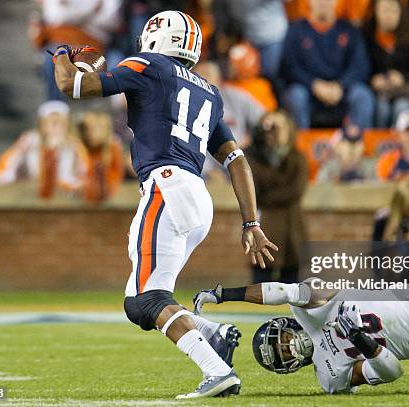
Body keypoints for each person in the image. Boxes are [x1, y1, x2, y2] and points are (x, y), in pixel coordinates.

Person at [52, 10, 278, 399]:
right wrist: (250, 222)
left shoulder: (148, 63)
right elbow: (236, 160)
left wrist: (59, 51)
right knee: (137, 303)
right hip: (197, 198)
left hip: (166, 186)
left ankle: (216, 370)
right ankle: (214, 334)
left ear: (156, 38)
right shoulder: (209, 90)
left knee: (149, 297)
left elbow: (74, 87)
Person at [192, 280, 409, 394]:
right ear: (287, 367)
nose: (288, 348)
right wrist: (366, 345)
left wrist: (227, 293)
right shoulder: (329, 376)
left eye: (281, 341)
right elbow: (392, 372)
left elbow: (283, 290)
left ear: (284, 327)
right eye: (282, 355)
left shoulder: (309, 308)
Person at [281, 0, 375, 129]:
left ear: (336, 2)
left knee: (363, 96)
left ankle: (356, 144)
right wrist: (313, 84)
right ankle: (299, 146)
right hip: (309, 91)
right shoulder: (295, 30)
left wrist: (341, 85)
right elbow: (289, 67)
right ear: (309, 2)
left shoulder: (350, 30)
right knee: (295, 96)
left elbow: (360, 66)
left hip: (342, 91)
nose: (323, 2)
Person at [246, 110, 308, 284]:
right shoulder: (254, 158)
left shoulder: (297, 159)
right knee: (261, 279)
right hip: (266, 224)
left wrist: (268, 194)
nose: (272, 131)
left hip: (292, 227)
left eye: (278, 127)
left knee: (292, 284)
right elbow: (253, 190)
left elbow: (296, 190)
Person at [0, 101, 89, 199]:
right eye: (50, 122)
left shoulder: (74, 145)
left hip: (66, 195)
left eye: (60, 122)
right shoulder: (29, 141)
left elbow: (86, 173)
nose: (55, 126)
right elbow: (2, 171)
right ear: (41, 124)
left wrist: (73, 185)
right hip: (32, 194)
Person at [364, 0, 409, 127]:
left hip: (406, 91)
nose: (388, 15)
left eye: (393, 10)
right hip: (379, 92)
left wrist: (403, 78)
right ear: (375, 12)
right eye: (384, 10)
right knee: (381, 108)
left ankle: (398, 145)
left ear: (401, 12)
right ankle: (378, 144)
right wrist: (372, 80)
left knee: (401, 107)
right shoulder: (366, 35)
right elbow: (361, 67)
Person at [78, 111, 124, 203]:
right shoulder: (80, 146)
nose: (89, 133)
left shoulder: (113, 148)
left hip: (107, 199)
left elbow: (117, 179)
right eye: (87, 129)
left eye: (94, 129)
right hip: (84, 199)